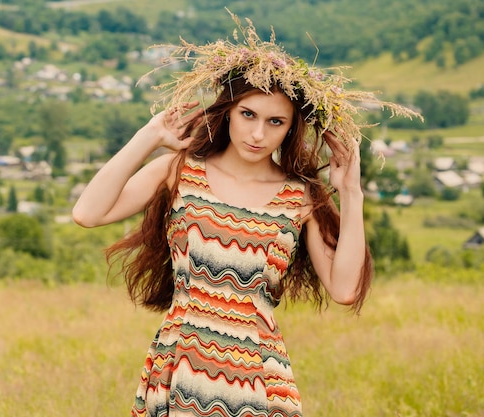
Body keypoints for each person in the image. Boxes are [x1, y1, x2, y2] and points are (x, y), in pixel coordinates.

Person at [72, 11, 420, 417]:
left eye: (275, 122)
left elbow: (344, 290)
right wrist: (148, 136)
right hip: (179, 362)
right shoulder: (180, 170)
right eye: (248, 115)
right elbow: (87, 212)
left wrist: (352, 193)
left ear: (291, 129)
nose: (258, 135)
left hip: (259, 377)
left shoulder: (300, 197)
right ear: (228, 112)